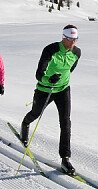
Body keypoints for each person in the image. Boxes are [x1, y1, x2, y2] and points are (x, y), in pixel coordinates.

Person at [20, 24, 80, 173]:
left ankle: (65, 159)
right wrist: (49, 78)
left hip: (63, 89)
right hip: (45, 89)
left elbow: (70, 69)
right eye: (70, 39)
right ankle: (25, 124)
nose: (73, 43)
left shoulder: (77, 53)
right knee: (35, 113)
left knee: (65, 122)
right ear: (63, 38)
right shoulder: (50, 50)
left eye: (75, 39)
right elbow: (39, 74)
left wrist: (61, 80)